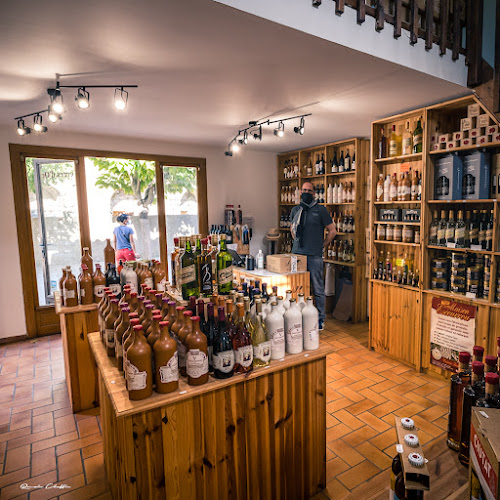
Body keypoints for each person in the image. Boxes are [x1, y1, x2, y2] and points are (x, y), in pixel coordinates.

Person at [290, 182, 336, 330]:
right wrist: (297, 242)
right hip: (297, 255)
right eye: (304, 190)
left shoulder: (321, 210)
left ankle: (321, 319)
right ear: (300, 192)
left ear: (314, 193)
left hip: (314, 256)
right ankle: (299, 316)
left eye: (309, 191)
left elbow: (333, 231)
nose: (306, 192)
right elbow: (292, 229)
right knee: (297, 287)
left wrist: (322, 244)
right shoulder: (296, 210)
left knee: (317, 288)